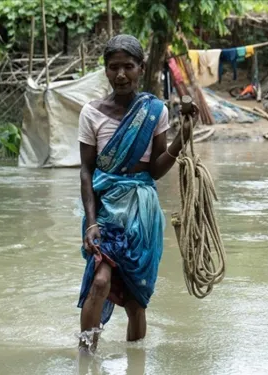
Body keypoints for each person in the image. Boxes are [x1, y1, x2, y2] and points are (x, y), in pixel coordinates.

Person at [76, 34, 194, 352]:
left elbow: (155, 170)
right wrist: (90, 222)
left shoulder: (155, 111)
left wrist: (181, 140)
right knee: (99, 282)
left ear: (141, 68)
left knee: (135, 300)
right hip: (105, 210)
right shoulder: (91, 113)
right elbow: (86, 170)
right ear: (105, 70)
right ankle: (86, 357)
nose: (121, 74)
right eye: (114, 67)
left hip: (141, 212)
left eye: (128, 66)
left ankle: (136, 362)